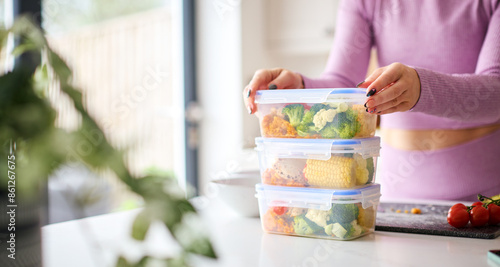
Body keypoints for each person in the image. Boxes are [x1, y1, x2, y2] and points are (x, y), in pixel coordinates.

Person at [243, 0, 500, 201]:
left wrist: (422, 88)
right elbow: (344, 82)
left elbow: (495, 91)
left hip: (485, 199)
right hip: (393, 197)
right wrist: (300, 86)